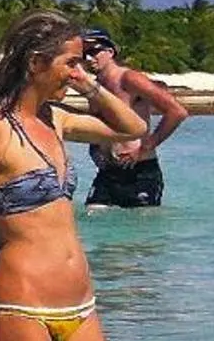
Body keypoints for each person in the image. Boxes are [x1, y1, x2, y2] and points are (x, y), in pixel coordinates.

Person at [0, 10, 147, 341]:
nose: (77, 73)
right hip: (21, 303)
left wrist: (90, 86)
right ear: (37, 63)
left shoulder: (56, 119)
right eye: (71, 63)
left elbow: (133, 128)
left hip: (81, 304)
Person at [79, 27, 188, 208]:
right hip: (107, 172)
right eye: (84, 54)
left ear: (110, 52)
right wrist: (95, 149)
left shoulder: (129, 78)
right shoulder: (94, 86)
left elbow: (176, 111)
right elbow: (100, 123)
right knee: (93, 223)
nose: (88, 58)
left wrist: (145, 148)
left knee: (140, 233)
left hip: (140, 171)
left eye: (93, 51)